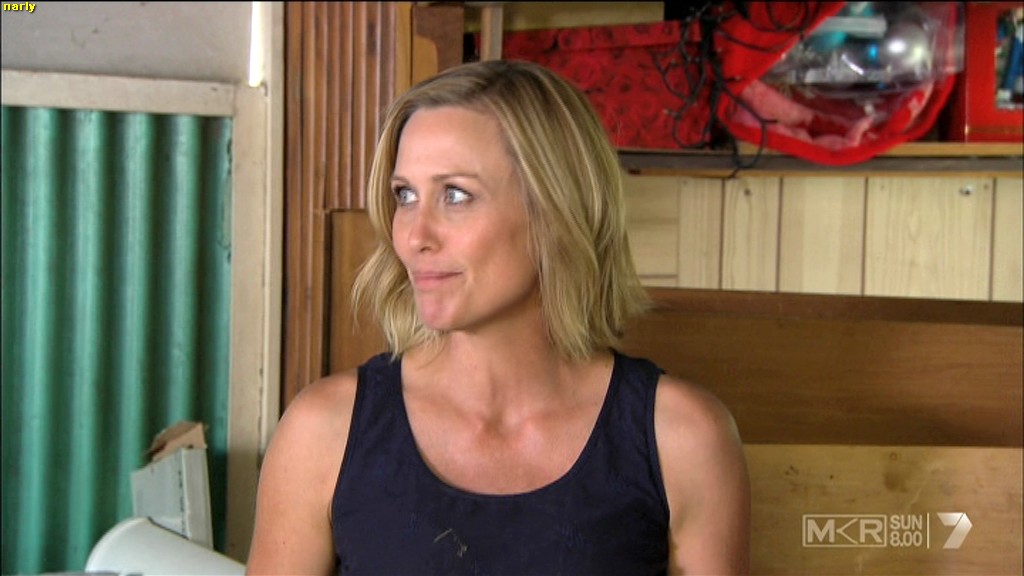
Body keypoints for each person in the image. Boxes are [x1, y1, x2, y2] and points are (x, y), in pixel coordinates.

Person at [247, 59, 750, 575]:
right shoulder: (322, 432)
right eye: (405, 195)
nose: (415, 236)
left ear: (555, 210)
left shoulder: (683, 437)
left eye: (455, 195)